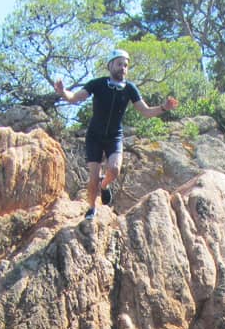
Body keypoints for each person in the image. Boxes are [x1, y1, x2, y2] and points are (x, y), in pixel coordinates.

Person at [55, 48, 179, 219]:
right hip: (94, 136)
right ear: (110, 65)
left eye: (126, 65)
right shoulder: (97, 84)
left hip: (114, 136)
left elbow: (146, 111)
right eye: (120, 64)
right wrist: (62, 92)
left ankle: (105, 186)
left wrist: (164, 107)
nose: (123, 68)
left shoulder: (130, 88)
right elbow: (75, 98)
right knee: (92, 177)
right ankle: (91, 207)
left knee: (114, 169)